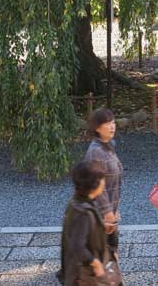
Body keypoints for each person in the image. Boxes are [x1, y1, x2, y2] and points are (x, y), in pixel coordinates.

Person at [60, 161, 122, 285]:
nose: (104, 183)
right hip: (85, 272)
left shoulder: (77, 202)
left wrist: (101, 227)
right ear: (95, 185)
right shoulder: (83, 212)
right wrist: (96, 263)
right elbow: (78, 245)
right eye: (102, 180)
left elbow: (78, 231)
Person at [84, 109, 123, 252]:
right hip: (99, 212)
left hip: (108, 209)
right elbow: (96, 185)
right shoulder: (96, 151)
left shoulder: (108, 146)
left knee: (109, 250)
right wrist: (108, 212)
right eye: (107, 123)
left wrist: (115, 209)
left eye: (113, 122)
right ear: (97, 128)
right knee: (103, 251)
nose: (112, 126)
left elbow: (114, 181)